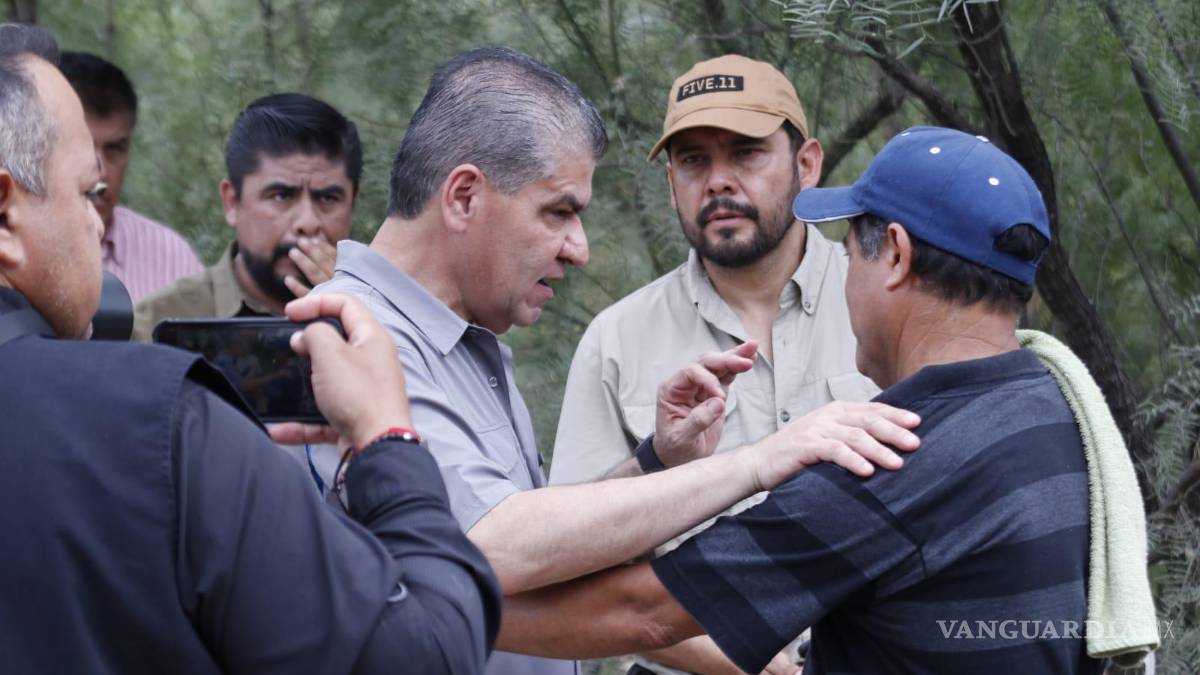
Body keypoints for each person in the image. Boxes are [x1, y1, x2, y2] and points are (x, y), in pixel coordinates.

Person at [314, 46, 922, 675]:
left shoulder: (461, 338)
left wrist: (652, 463)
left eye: (746, 153)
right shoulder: (352, 336)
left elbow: (539, 552)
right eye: (559, 211)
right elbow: (492, 543)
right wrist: (757, 463)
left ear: (807, 163)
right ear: (464, 197)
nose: (579, 249)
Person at [496, 127, 1110, 675]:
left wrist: (452, 604)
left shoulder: (888, 458)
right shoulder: (1059, 411)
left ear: (895, 255)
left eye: (849, 253)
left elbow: (643, 614)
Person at [0, 24, 498, 674]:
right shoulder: (168, 420)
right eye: (87, 194)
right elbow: (424, 656)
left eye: (328, 197)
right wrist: (388, 441)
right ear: (5, 213)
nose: (99, 226)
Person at [549, 53, 876, 675]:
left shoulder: (881, 302)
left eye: (746, 153)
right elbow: (571, 562)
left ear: (807, 164)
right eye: (694, 160)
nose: (719, 181)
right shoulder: (617, 339)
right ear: (671, 183)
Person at [131, 91, 360, 340]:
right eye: (281, 196)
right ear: (232, 202)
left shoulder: (379, 321)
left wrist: (357, 324)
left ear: (352, 204)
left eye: (328, 198)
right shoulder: (156, 325)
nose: (307, 222)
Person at [58, 51, 204, 303]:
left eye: (115, 149)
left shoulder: (173, 261)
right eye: (82, 146)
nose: (101, 172)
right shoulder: (9, 253)